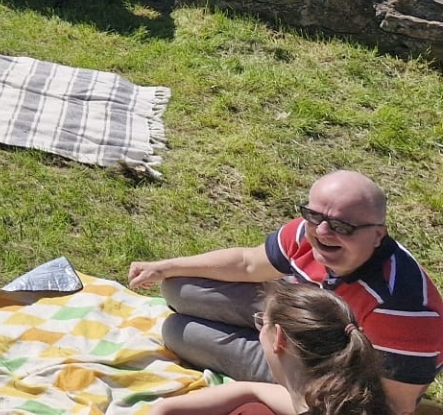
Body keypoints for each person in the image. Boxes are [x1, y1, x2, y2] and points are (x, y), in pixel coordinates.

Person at [128, 169, 442, 412]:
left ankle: (264, 349)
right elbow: (248, 263)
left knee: (177, 331)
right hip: (291, 323)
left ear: (378, 236)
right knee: (177, 288)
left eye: (341, 227)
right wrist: (166, 267)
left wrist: (300, 383)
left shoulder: (402, 310)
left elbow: (395, 405)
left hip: (321, 370)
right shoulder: (308, 234)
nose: (322, 232)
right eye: (314, 216)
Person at [142, 282, 395, 415]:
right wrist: (167, 408)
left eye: (262, 323)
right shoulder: (342, 400)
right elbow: (253, 390)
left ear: (279, 339)